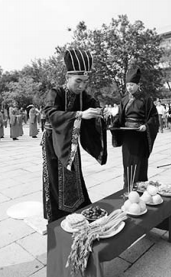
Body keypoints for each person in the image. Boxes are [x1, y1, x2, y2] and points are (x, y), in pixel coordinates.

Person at [42, 49, 107, 223]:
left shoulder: (82, 96)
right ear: (67, 77)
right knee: (56, 178)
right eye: (78, 81)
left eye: (85, 82)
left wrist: (99, 111)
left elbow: (92, 104)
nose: (82, 86)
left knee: (74, 174)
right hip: (53, 142)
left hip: (71, 141)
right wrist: (79, 115)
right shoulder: (54, 93)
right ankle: (57, 217)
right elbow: (50, 114)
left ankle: (79, 208)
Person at [111, 68, 159, 190]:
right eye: (127, 85)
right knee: (127, 161)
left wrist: (146, 126)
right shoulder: (124, 100)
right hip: (127, 135)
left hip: (139, 135)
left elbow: (154, 117)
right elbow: (120, 116)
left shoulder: (146, 99)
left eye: (132, 85)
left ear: (138, 85)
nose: (129, 88)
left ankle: (140, 185)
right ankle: (128, 184)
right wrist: (114, 124)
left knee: (138, 162)